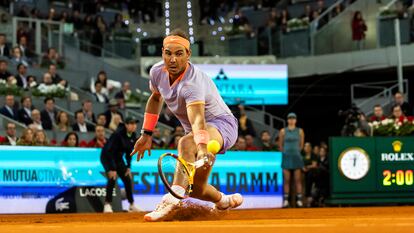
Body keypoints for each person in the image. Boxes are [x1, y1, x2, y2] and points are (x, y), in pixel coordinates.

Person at [130, 29, 242, 222]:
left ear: (188, 55)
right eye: (168, 53)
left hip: (222, 126)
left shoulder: (192, 83)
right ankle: (224, 201)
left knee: (185, 144)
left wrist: (201, 146)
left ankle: (171, 200)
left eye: (179, 54)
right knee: (197, 189)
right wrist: (146, 134)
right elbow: (155, 98)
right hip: (198, 133)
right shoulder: (157, 72)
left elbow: (198, 119)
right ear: (162, 52)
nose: (172, 59)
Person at [101, 117, 142, 213]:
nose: (133, 126)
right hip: (107, 157)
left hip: (118, 158)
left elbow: (129, 152)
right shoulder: (117, 134)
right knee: (112, 179)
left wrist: (128, 167)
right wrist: (111, 168)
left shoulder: (133, 135)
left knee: (127, 178)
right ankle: (107, 205)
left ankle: (131, 205)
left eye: (135, 124)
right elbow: (109, 151)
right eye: (131, 123)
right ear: (126, 125)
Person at [278, 113, 305, 208]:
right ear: (287, 120)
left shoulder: (300, 131)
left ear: (296, 120)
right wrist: (286, 152)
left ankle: (299, 201)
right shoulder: (283, 131)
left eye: (293, 118)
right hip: (286, 157)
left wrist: (296, 152)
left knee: (298, 180)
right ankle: (285, 201)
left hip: (296, 157)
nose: (291, 120)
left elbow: (301, 145)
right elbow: (280, 145)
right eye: (290, 118)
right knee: (287, 180)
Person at [302, 142, 318, 207]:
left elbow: (314, 165)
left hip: (311, 171)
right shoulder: (302, 155)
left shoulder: (313, 155)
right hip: (303, 170)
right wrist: (303, 168)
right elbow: (300, 163)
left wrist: (307, 167)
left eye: (308, 146)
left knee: (310, 175)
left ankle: (308, 195)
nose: (307, 148)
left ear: (310, 148)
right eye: (305, 146)